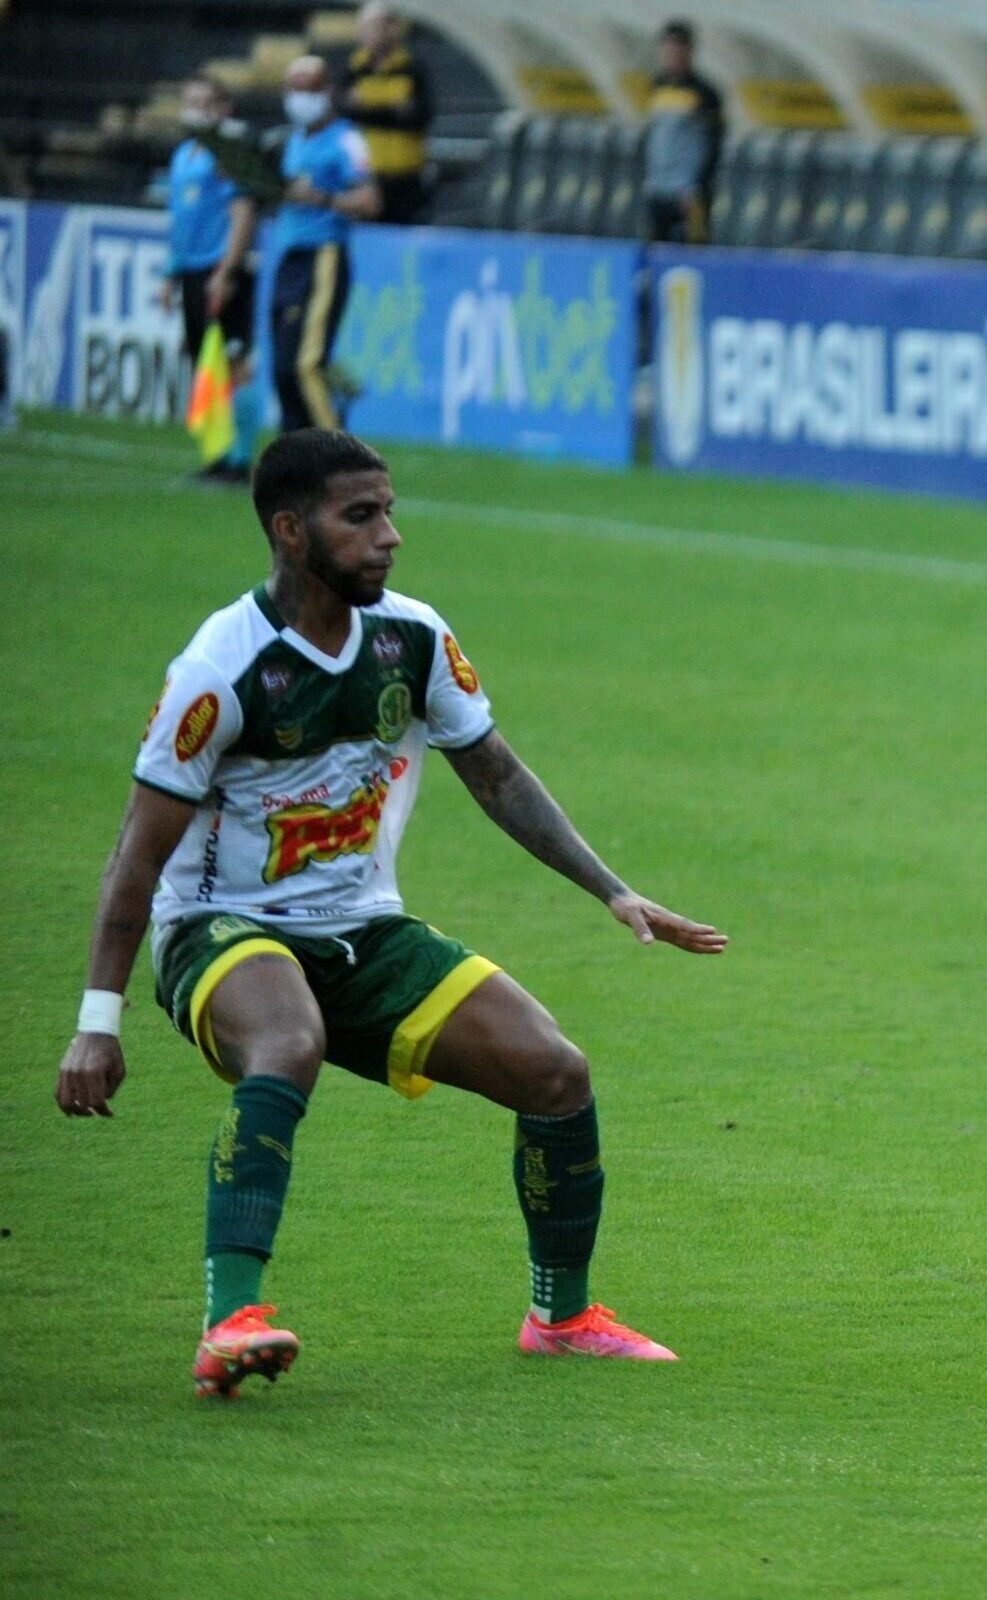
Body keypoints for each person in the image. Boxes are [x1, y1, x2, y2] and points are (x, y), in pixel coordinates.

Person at [54, 430, 727, 1396]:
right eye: (360, 517)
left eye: (390, 512)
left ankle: (562, 1315)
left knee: (555, 1072)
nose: (390, 537)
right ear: (290, 531)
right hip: (221, 925)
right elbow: (136, 856)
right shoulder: (220, 667)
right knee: (287, 1041)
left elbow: (497, 776)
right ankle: (229, 1321)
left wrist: (614, 890)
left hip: (361, 927)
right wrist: (95, 1024)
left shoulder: (411, 639)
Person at [271, 55, 378, 434]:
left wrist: (324, 199)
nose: (300, 98)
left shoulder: (346, 141)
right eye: (294, 89)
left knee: (305, 364)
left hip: (324, 255)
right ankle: (295, 447)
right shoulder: (294, 141)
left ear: (328, 91)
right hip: (291, 254)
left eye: (309, 89)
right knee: (284, 367)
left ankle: (335, 453)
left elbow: (368, 200)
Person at [162, 73, 258, 483]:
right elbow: (180, 220)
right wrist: (171, 273)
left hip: (221, 269)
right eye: (190, 101)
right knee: (208, 366)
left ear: (223, 110)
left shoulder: (230, 156)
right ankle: (218, 456)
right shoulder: (183, 154)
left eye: (205, 102)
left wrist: (228, 270)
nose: (196, 110)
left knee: (233, 362)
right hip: (191, 271)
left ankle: (240, 460)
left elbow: (243, 214)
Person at [344, 3, 433, 225]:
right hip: (363, 180)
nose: (374, 32)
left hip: (405, 179)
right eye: (367, 26)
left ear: (394, 27)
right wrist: (394, 110)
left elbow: (420, 116)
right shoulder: (354, 69)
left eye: (379, 25)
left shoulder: (413, 69)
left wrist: (366, 108)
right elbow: (346, 115)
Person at [641, 20, 723, 245]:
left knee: (692, 249)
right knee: (656, 248)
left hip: (689, 194)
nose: (671, 56)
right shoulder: (657, 86)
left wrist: (698, 186)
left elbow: (714, 143)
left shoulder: (704, 93)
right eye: (667, 50)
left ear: (689, 51)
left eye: (677, 50)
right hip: (658, 188)